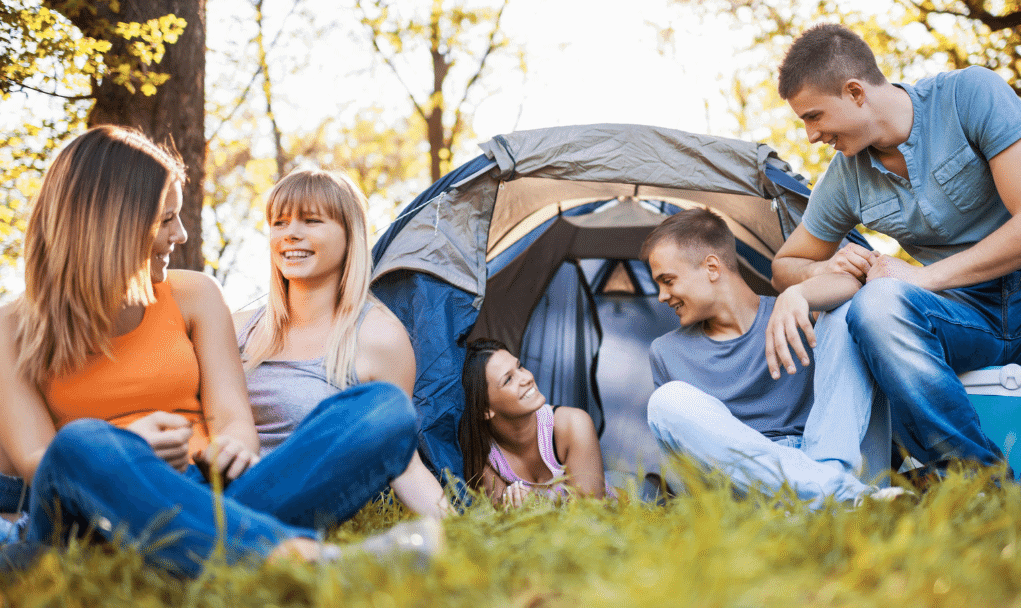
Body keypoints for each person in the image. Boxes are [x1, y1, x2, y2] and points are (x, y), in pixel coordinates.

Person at [0, 126, 439, 577]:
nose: (183, 234)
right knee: (80, 442)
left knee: (384, 410)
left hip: (209, 492)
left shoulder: (196, 295)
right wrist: (130, 447)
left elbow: (232, 420)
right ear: (114, 224)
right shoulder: (11, 326)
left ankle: (179, 561)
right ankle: (303, 562)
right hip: (89, 514)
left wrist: (230, 449)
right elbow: (39, 460)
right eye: (166, 218)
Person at [769, 23, 1021, 484]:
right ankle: (977, 486)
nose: (811, 135)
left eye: (814, 116)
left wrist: (921, 277)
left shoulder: (969, 95)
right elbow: (785, 263)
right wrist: (821, 269)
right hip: (963, 320)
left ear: (856, 92)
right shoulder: (844, 178)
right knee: (876, 305)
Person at [641, 208, 901, 507]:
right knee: (666, 402)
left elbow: (853, 288)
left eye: (667, 280)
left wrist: (797, 294)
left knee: (847, 314)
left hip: (826, 453)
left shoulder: (793, 311)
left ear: (712, 267)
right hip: (744, 488)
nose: (662, 295)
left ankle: (826, 493)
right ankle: (841, 497)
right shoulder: (666, 352)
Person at [236, 168, 450, 519]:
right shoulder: (237, 328)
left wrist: (458, 536)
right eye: (279, 222)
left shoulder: (380, 337)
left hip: (292, 506)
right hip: (217, 489)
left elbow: (402, 457)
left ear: (350, 235)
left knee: (387, 407)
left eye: (311, 221)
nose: (291, 234)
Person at [459, 339, 611, 507]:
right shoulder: (485, 456)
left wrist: (537, 504)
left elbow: (592, 513)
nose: (527, 378)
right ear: (484, 410)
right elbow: (500, 521)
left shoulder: (573, 425)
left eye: (520, 366)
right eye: (508, 379)